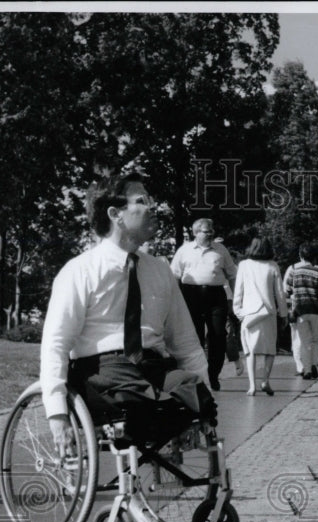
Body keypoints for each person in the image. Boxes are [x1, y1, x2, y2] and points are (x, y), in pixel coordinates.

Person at [41, 172, 216, 454]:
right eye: (142, 201)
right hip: (103, 370)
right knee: (137, 398)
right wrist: (57, 412)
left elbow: (185, 341)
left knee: (193, 392)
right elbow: (56, 343)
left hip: (153, 366)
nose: (153, 207)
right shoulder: (80, 271)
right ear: (115, 214)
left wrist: (204, 395)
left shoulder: (160, 270)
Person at [170, 218, 238, 390]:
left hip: (216, 296)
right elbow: (174, 276)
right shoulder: (184, 250)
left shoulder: (221, 250)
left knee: (218, 335)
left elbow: (232, 275)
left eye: (211, 230)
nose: (210, 233)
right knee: (194, 336)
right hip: (190, 294)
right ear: (196, 232)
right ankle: (197, 376)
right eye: (206, 231)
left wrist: (235, 297)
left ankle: (213, 374)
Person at [232, 236, 288, 395]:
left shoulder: (243, 265)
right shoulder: (273, 266)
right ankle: (265, 381)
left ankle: (252, 386)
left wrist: (238, 311)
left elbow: (239, 290)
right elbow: (279, 293)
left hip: (249, 313)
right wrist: (283, 313)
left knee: (250, 350)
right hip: (268, 312)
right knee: (270, 349)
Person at [283, 243, 318, 379]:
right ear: (313, 256)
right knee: (316, 339)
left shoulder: (293, 269)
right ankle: (313, 363)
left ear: (300, 255)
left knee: (304, 341)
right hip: (316, 309)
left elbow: (286, 290)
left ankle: (307, 370)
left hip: (300, 309)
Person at [222, 249, 245, 378]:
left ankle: (235, 359)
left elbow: (237, 286)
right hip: (207, 300)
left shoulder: (232, 268)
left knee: (228, 331)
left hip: (228, 300)